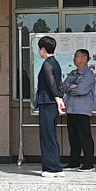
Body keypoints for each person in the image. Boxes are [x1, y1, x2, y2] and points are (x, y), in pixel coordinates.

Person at [61, 49, 96, 172]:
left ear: (84, 59)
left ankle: (89, 163)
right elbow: (63, 86)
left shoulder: (88, 74)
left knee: (84, 137)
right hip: (71, 109)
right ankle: (74, 162)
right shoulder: (73, 73)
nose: (74, 58)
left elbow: (81, 90)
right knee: (73, 138)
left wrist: (70, 88)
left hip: (82, 110)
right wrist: (71, 87)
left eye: (77, 56)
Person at [35, 36, 65, 178]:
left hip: (47, 102)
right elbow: (59, 84)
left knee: (47, 135)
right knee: (51, 135)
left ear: (43, 49)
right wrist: (60, 98)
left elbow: (51, 83)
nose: (39, 52)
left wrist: (57, 98)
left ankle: (52, 168)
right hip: (52, 103)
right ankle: (55, 166)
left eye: (39, 49)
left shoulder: (47, 64)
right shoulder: (56, 63)